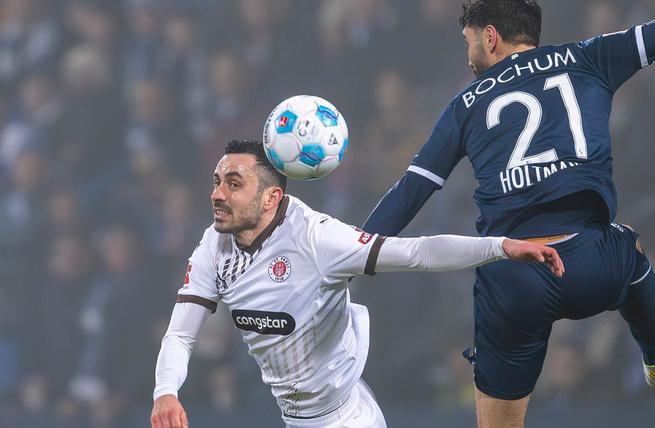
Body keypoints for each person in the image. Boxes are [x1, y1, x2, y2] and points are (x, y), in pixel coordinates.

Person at [362, 0, 655, 425]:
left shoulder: (465, 104)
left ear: (489, 37)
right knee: (630, 247)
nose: (469, 54)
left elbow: (411, 191)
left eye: (469, 42)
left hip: (512, 282)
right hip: (593, 265)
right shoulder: (589, 57)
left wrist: (349, 253)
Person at [149, 140, 564, 428]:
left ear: (272, 198)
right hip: (295, 416)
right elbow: (181, 334)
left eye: (233, 184)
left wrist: (500, 246)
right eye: (216, 182)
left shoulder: (318, 239)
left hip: (344, 418)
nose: (218, 194)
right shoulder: (214, 244)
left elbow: (418, 253)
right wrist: (165, 391)